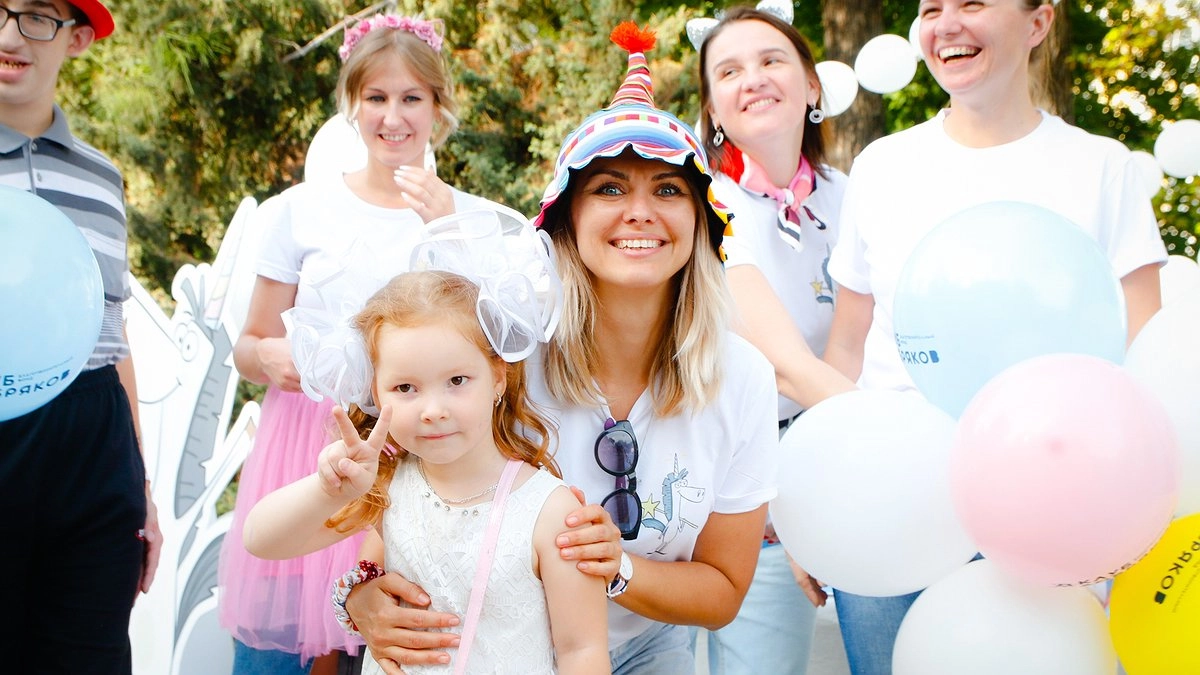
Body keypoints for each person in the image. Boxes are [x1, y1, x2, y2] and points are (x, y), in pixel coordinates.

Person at [339, 22, 781, 675]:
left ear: (701, 222)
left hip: (643, 645)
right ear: (565, 219)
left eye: (667, 189)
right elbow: (398, 509)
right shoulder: (506, 346)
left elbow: (721, 590)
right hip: (483, 644)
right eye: (608, 188)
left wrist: (619, 566)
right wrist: (360, 596)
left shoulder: (742, 376)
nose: (639, 211)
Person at [822, 0, 1167, 672]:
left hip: (1050, 503)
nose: (945, 24)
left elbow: (1143, 356)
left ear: (1037, 23)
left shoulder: (1102, 166)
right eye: (930, 8)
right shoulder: (882, 165)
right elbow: (847, 345)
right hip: (888, 499)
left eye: (972, 3)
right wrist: (823, 499)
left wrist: (1125, 523)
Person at [216, 14, 507, 675]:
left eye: (411, 98)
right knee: (280, 648)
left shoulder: (466, 217)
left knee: (393, 636)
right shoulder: (302, 210)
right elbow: (249, 342)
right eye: (376, 97)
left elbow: (490, 345)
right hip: (309, 440)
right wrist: (272, 358)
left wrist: (449, 229)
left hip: (417, 450)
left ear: (439, 106)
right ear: (353, 106)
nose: (393, 116)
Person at [240, 217, 611, 674]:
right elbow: (260, 540)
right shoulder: (388, 488)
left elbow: (582, 651)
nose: (432, 409)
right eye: (405, 388)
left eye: (457, 380)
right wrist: (328, 490)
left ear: (498, 376)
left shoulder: (549, 510)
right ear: (375, 393)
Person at [690, 5, 857, 674]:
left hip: (852, 469)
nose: (752, 79)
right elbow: (785, 369)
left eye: (771, 60)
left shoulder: (857, 196)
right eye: (729, 70)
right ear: (713, 108)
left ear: (812, 86)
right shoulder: (705, 205)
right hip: (748, 498)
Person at [0, 1, 161, 672]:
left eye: (36, 15)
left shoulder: (103, 178)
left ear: (78, 38)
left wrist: (141, 486)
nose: (10, 36)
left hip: (95, 438)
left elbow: (109, 329)